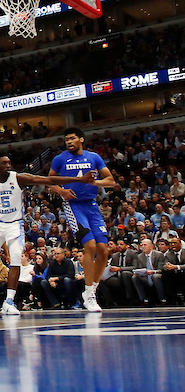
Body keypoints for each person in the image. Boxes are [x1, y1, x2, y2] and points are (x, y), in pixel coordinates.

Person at [0, 155, 100, 316]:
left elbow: (46, 180)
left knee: (17, 256)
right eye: (4, 163)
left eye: (9, 163)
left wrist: (81, 179)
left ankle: (9, 301)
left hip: (14, 224)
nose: (8, 165)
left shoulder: (18, 178)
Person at [48, 127, 120, 311]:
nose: (69, 142)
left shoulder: (94, 157)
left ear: (81, 139)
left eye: (72, 138)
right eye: (66, 139)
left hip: (92, 205)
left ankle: (91, 291)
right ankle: (88, 292)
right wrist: (62, 191)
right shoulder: (60, 159)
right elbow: (49, 181)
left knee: (103, 250)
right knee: (90, 246)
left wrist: (93, 182)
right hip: (74, 206)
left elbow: (111, 181)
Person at [133, 238, 168, 304]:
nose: (143, 247)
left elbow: (161, 269)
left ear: (151, 246)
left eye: (145, 245)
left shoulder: (159, 254)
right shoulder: (139, 256)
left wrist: (153, 272)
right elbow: (138, 268)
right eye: (142, 245)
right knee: (134, 277)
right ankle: (143, 299)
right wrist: (138, 272)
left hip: (157, 275)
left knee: (155, 276)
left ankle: (162, 298)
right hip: (146, 276)